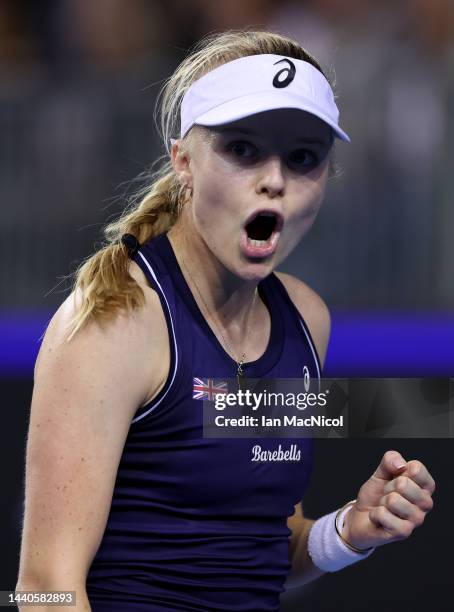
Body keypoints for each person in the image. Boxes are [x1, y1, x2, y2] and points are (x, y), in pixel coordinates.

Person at [16, 30, 435, 611]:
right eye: (242, 150)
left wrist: (346, 533)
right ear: (182, 160)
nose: (274, 179)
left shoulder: (307, 319)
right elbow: (45, 589)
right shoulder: (112, 324)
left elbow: (255, 547)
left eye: (303, 157)